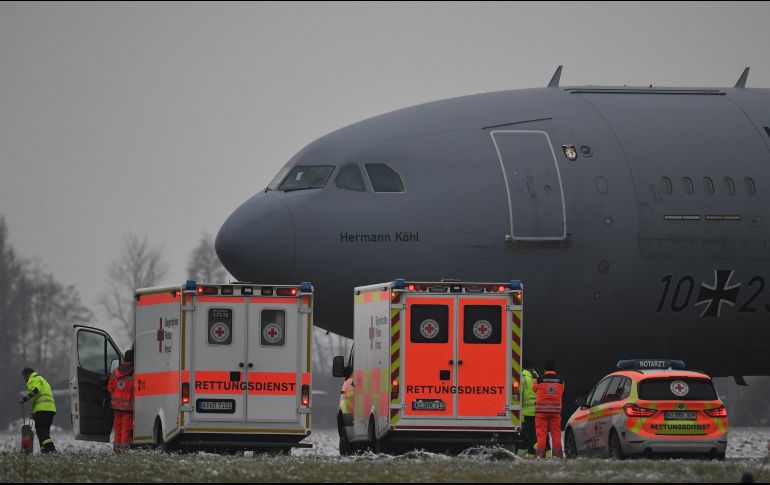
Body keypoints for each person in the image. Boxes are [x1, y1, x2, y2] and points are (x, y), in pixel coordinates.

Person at [19, 368, 57, 453]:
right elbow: (40, 397)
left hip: (43, 409)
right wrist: (35, 412)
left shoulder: (33, 379)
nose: (25, 379)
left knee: (41, 431)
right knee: (44, 431)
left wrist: (24, 399)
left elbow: (35, 391)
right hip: (50, 409)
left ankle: (52, 450)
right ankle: (45, 451)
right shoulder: (42, 379)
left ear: (28, 374)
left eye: (24, 377)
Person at [533, 359, 565, 459]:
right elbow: (562, 392)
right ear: (554, 369)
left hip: (541, 413)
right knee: (556, 435)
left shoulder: (539, 380)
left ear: (544, 369)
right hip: (555, 412)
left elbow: (534, 389)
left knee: (541, 435)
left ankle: (540, 456)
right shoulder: (561, 381)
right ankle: (557, 457)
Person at [107, 349, 134, 453]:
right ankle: (124, 450)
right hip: (128, 407)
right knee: (125, 429)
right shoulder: (134, 373)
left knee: (117, 428)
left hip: (116, 407)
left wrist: (115, 396)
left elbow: (110, 388)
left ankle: (116, 449)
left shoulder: (115, 371)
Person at [520, 359, 539, 457]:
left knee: (524, 436)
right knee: (534, 435)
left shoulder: (523, 377)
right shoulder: (537, 377)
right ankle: (532, 455)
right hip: (537, 411)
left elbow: (518, 394)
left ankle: (521, 456)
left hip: (525, 412)